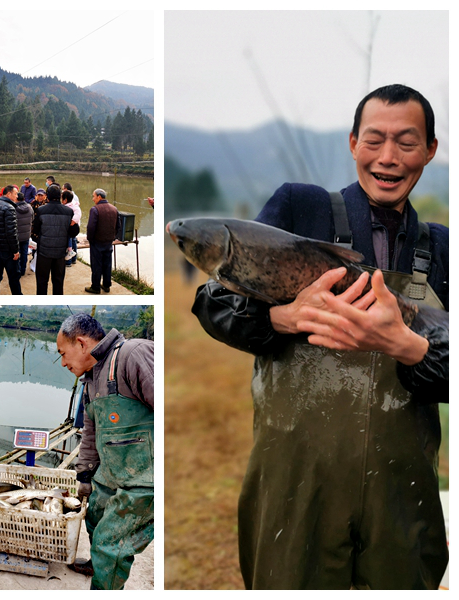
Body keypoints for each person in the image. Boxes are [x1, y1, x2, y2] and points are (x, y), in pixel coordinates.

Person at [192, 84, 448, 590]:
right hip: (296, 485)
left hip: (402, 490)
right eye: (374, 140)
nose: (388, 158)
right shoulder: (299, 208)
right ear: (352, 143)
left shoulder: (442, 247)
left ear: (430, 150)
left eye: (406, 142)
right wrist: (284, 319)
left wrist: (408, 346)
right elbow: (212, 301)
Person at [56, 314, 154, 590]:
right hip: (111, 473)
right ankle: (99, 564)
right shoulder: (91, 380)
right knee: (95, 516)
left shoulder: (132, 355)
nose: (63, 363)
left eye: (64, 354)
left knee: (110, 545)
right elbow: (90, 433)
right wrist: (84, 475)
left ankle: (105, 575)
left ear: (81, 343)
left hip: (144, 480)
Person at [31, 184, 78, 295]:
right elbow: (73, 233)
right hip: (60, 254)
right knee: (58, 282)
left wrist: (41, 242)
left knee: (42, 282)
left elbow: (34, 232)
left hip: (44, 253)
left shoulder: (41, 210)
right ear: (60, 196)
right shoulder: (68, 212)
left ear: (47, 196)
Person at [85, 188, 120, 294]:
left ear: (99, 197)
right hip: (108, 242)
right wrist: (112, 237)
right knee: (107, 264)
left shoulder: (95, 209)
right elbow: (118, 226)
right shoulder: (114, 209)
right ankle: (106, 285)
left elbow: (91, 227)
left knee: (96, 264)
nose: (93, 199)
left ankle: (95, 287)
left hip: (97, 242)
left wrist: (90, 239)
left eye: (94, 196)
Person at [0, 185, 22, 295]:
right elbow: (11, 232)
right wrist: (15, 250)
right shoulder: (9, 208)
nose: (17, 196)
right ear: (8, 194)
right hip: (8, 250)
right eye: (15, 194)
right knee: (14, 276)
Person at [15, 191, 34, 277]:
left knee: (17, 253)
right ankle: (23, 270)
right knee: (24, 252)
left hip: (17, 236)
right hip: (26, 235)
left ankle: (17, 270)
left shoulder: (14, 209)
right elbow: (32, 219)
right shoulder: (30, 208)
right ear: (24, 199)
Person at [61, 189, 81, 267]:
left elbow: (78, 214)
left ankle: (68, 261)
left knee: (69, 241)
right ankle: (73, 259)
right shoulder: (72, 205)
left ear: (65, 200)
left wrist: (72, 222)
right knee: (73, 241)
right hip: (72, 228)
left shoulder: (71, 207)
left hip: (70, 228)